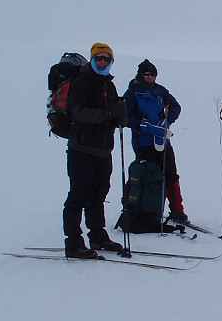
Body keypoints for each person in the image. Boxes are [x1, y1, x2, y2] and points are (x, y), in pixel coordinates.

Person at [63, 43, 129, 258]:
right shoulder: (82, 82)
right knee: (79, 195)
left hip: (102, 150)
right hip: (81, 148)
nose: (102, 62)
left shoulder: (108, 85)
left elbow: (113, 111)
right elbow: (79, 112)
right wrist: (108, 114)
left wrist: (120, 117)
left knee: (98, 194)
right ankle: (73, 243)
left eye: (106, 59)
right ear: (92, 60)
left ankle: (98, 237)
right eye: (99, 58)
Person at [123, 59, 189, 225]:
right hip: (143, 144)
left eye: (153, 75)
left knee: (171, 176)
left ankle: (177, 211)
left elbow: (176, 107)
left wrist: (166, 121)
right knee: (148, 177)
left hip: (163, 141)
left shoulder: (160, 91)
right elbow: (126, 117)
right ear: (141, 75)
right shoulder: (132, 92)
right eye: (148, 75)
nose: (151, 78)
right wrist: (143, 126)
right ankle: (144, 211)